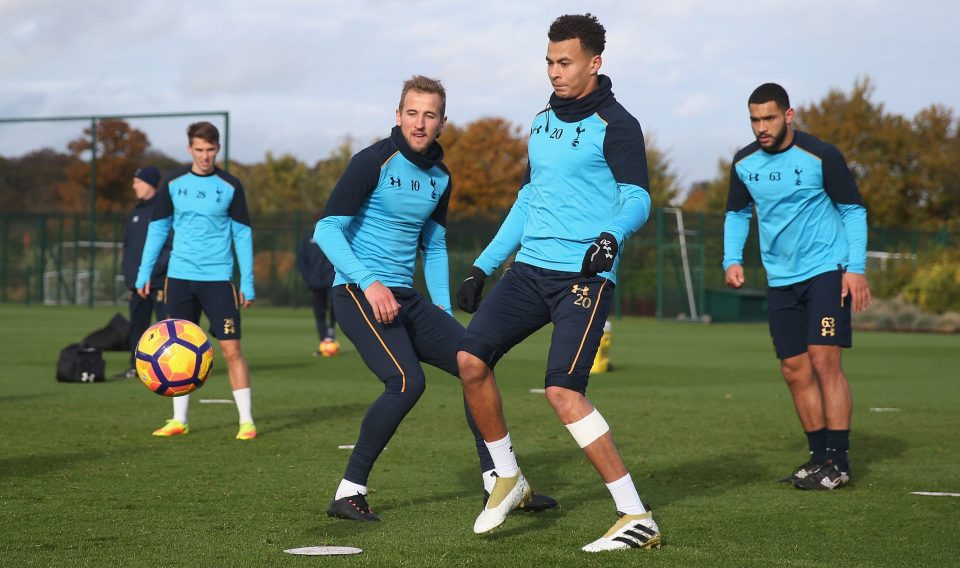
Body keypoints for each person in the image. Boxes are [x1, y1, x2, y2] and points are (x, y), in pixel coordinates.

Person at [455, 14, 661, 552]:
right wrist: (483, 264)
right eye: (549, 61)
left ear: (594, 63)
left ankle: (635, 516)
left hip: (583, 275)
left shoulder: (617, 125)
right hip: (529, 270)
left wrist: (611, 236)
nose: (554, 71)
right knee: (470, 360)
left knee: (562, 391)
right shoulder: (542, 121)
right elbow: (528, 200)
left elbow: (637, 197)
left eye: (564, 62)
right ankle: (507, 476)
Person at [314, 75, 557, 522]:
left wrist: (441, 311)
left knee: (474, 363)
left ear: (443, 122)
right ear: (398, 115)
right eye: (412, 113)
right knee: (406, 382)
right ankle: (348, 492)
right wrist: (370, 283)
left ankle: (500, 483)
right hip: (356, 290)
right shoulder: (372, 161)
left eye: (429, 115)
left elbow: (436, 245)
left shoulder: (440, 176)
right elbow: (325, 230)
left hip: (407, 297)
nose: (420, 123)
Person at [723, 83, 870, 490]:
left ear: (788, 115)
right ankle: (818, 456)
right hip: (781, 280)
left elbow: (853, 210)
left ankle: (838, 463)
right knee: (794, 369)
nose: (761, 127)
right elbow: (737, 213)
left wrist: (854, 268)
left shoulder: (821, 155)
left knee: (825, 361)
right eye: (754, 119)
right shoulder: (744, 163)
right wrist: (731, 258)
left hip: (825, 270)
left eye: (768, 117)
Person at [136, 121, 258, 441]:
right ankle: (179, 419)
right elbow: (158, 229)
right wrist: (144, 272)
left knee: (231, 349)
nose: (205, 156)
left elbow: (242, 234)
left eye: (211, 150)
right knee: (175, 351)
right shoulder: (174, 183)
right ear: (189, 149)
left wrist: (248, 281)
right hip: (178, 279)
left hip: (218, 280)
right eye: (199, 150)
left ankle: (246, 421)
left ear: (218, 149)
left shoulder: (230, 185)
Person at [116, 166, 170, 379]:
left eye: (138, 181)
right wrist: (132, 277)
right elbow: (128, 246)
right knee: (137, 325)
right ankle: (137, 367)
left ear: (149, 184)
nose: (134, 185)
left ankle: (169, 367)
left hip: (158, 282)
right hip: (137, 284)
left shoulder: (164, 210)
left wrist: (154, 274)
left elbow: (168, 246)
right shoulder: (136, 212)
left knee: (166, 327)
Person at [297, 215, 337, 354]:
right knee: (319, 312)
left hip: (331, 281)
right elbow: (302, 262)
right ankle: (323, 340)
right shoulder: (308, 239)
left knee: (335, 306)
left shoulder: (333, 236)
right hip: (315, 283)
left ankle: (331, 329)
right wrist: (309, 279)